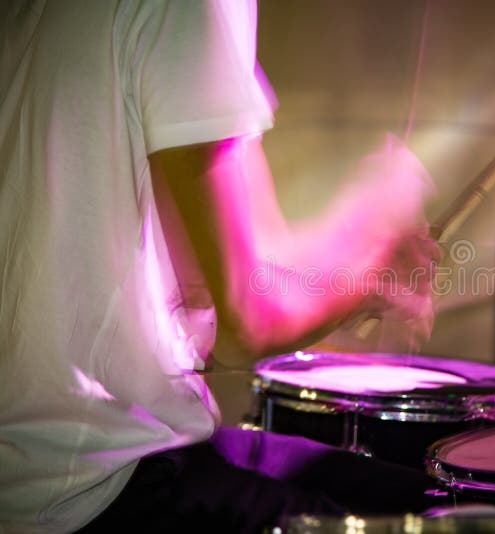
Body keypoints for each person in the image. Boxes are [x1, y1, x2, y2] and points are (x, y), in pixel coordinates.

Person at [0, 1, 438, 532]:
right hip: (93, 485)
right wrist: (373, 238)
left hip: (38, 462)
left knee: (423, 495)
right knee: (442, 518)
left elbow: (206, 278)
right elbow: (249, 321)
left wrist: (353, 270)